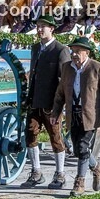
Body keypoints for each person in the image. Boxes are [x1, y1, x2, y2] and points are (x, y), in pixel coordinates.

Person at [51, 36, 100, 197]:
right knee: (78, 150)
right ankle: (98, 168)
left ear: (87, 52)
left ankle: (79, 183)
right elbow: (60, 93)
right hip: (73, 114)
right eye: (72, 51)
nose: (74, 54)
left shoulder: (97, 68)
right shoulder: (67, 68)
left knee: (82, 147)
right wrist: (55, 112)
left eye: (78, 51)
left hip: (91, 116)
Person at [21, 15, 72, 189]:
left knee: (55, 137)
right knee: (30, 134)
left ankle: (60, 174)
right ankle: (36, 172)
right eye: (38, 26)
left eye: (43, 26)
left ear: (52, 29)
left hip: (51, 103)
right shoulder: (36, 48)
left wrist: (59, 105)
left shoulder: (60, 50)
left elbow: (64, 80)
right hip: (35, 100)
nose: (40, 29)